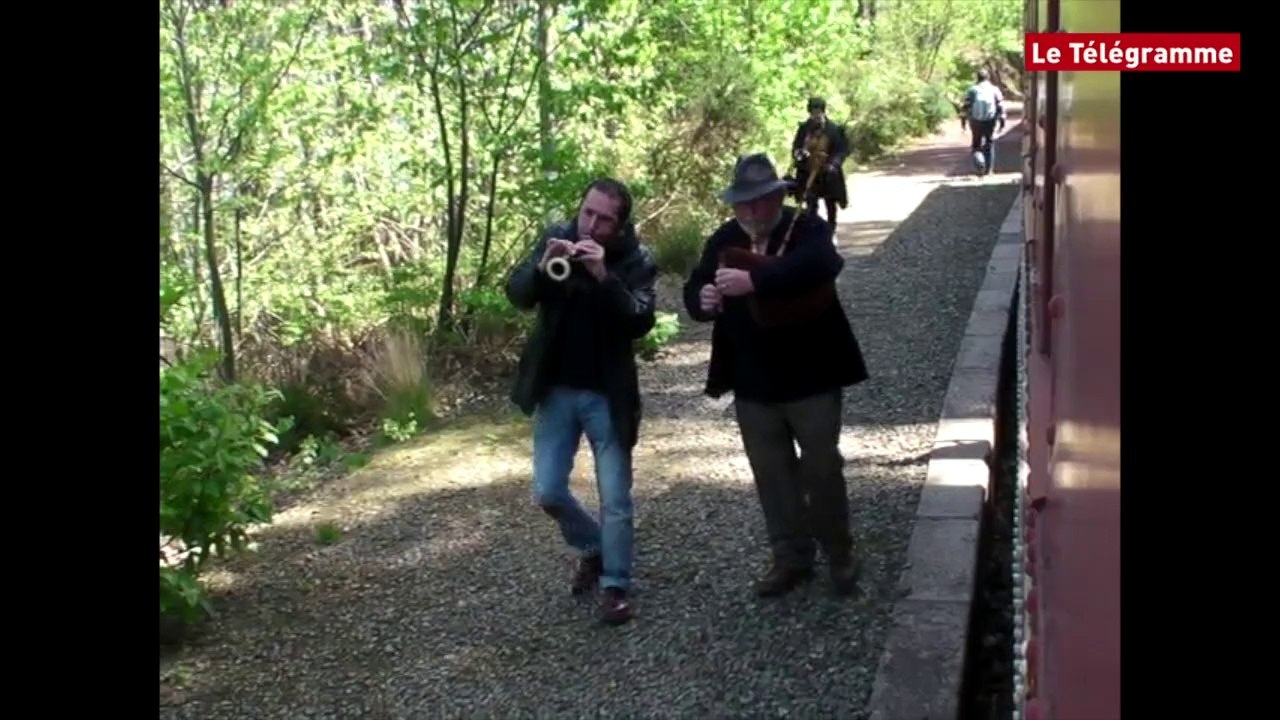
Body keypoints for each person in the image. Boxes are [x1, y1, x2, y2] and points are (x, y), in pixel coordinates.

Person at [682, 153, 869, 597]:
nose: (751, 211)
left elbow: (823, 264)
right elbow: (695, 288)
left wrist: (756, 282)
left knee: (822, 469)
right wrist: (702, 300)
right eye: (743, 203)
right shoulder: (724, 238)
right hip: (753, 381)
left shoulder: (806, 228)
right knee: (772, 476)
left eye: (760, 201)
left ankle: (839, 554)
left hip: (812, 377)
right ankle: (791, 559)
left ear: (776, 197)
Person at [505, 177, 658, 625]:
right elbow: (516, 294)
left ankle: (615, 585)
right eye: (587, 212)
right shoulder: (557, 237)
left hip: (608, 394)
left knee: (615, 497)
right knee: (547, 490)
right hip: (556, 389)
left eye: (603, 220)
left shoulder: (637, 258)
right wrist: (541, 269)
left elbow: (640, 320)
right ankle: (593, 546)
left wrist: (603, 276)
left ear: (619, 224)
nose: (590, 225)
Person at [789, 97, 851, 228]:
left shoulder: (834, 129)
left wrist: (833, 164)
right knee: (811, 204)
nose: (816, 115)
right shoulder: (804, 129)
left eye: (818, 111)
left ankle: (831, 228)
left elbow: (842, 150)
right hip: (808, 172)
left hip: (828, 173)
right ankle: (814, 229)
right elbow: (796, 148)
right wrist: (800, 154)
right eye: (813, 112)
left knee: (831, 204)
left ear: (823, 111)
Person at [962, 69, 1007, 176]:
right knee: (989, 143)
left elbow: (965, 107)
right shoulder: (994, 89)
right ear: (988, 77)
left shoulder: (972, 90)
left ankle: (980, 164)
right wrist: (1002, 122)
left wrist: (963, 122)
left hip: (976, 120)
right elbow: (1000, 106)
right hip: (990, 120)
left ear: (977, 78)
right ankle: (989, 170)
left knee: (976, 144)